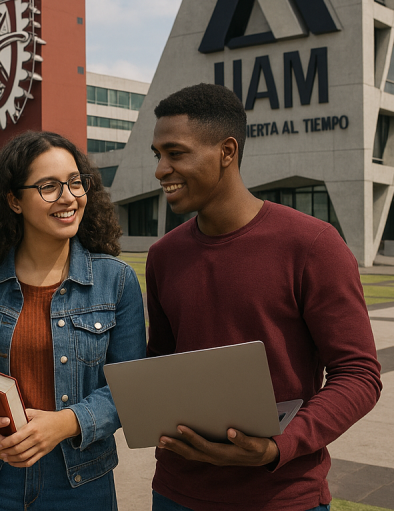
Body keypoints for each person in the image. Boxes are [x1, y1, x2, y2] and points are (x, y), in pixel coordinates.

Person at [145, 83, 382, 511]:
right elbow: (161, 363)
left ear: (227, 151)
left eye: (175, 153)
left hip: (281, 495)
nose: (161, 169)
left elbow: (359, 374)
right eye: (156, 155)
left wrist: (279, 445)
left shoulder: (312, 245)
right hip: (176, 493)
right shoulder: (164, 256)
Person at [0, 130, 145, 510]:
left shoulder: (117, 281)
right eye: (49, 186)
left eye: (76, 183)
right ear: (14, 200)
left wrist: (66, 422)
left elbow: (131, 388)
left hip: (81, 482)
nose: (69, 197)